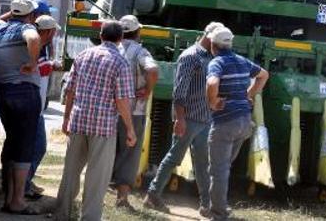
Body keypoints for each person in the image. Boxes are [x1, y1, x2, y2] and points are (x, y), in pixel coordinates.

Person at [55, 21, 137, 221]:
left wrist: (66, 119)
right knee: (97, 177)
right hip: (102, 126)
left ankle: (61, 214)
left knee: (70, 172)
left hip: (78, 121)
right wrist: (130, 129)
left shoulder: (83, 56)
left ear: (100, 35)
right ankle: (90, 217)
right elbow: (122, 101)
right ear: (120, 39)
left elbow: (70, 91)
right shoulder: (120, 62)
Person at [144, 22, 225, 216]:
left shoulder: (212, 58)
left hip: (205, 118)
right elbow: (179, 92)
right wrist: (179, 119)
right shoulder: (190, 57)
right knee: (174, 158)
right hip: (188, 119)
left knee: (204, 163)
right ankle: (153, 195)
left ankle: (206, 205)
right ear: (209, 37)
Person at [205, 27, 269, 221]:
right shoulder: (242, 61)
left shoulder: (217, 62)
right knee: (224, 167)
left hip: (225, 122)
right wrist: (249, 94)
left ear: (213, 45)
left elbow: (212, 83)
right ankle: (214, 207)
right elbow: (264, 75)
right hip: (244, 123)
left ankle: (218, 213)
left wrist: (212, 102)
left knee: (219, 169)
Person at [0, 0, 42, 215]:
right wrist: (33, 62)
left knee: (12, 144)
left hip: (3, 93)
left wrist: (12, 13)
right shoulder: (26, 29)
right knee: (24, 147)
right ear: (31, 16)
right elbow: (33, 38)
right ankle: (18, 201)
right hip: (24, 92)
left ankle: (8, 198)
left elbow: (0, 18)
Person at [112, 15, 159, 210]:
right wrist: (147, 90)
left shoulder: (111, 48)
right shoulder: (140, 51)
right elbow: (153, 69)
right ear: (138, 32)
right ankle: (122, 199)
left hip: (107, 111)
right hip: (133, 111)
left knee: (106, 152)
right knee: (129, 154)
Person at [25, 0, 61, 200]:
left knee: (30, 147)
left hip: (35, 102)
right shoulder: (36, 43)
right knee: (39, 146)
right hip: (32, 103)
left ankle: (25, 182)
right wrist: (55, 65)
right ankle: (23, 186)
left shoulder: (38, 42)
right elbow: (38, 68)